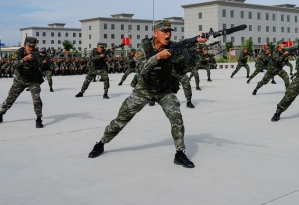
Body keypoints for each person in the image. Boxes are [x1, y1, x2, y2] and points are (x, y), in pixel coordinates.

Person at [87, 20, 208, 168]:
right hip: (143, 90)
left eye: (169, 31)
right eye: (164, 31)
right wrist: (157, 57)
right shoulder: (144, 48)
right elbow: (139, 70)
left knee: (176, 117)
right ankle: (101, 143)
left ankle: (180, 153)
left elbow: (186, 43)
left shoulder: (172, 46)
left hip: (164, 91)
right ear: (155, 33)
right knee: (122, 118)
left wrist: (198, 40)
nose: (168, 33)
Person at [0, 37, 45, 128]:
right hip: (20, 80)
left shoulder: (36, 53)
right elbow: (13, 64)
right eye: (29, 46)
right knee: (10, 99)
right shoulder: (19, 52)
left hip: (33, 80)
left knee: (36, 99)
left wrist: (37, 59)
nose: (31, 48)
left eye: (33, 46)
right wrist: (24, 60)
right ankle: (0, 116)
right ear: (24, 45)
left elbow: (41, 63)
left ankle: (39, 119)